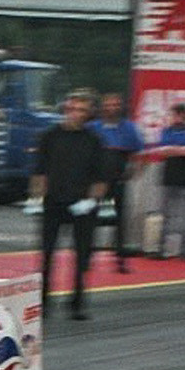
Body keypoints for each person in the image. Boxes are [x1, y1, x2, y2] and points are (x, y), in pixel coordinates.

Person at [28, 91, 111, 320]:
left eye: (81, 110)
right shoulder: (49, 136)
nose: (75, 114)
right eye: (72, 109)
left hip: (82, 204)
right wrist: (36, 199)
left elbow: (101, 177)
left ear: (88, 114)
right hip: (54, 201)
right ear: (65, 109)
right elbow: (40, 171)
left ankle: (77, 302)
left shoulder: (94, 140)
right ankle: (43, 301)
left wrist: (91, 201)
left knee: (83, 255)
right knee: (46, 253)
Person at [89, 92, 143, 272]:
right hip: (95, 181)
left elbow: (138, 153)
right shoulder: (92, 127)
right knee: (90, 218)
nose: (112, 108)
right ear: (102, 107)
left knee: (120, 220)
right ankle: (86, 257)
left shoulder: (129, 128)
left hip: (119, 181)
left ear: (121, 107)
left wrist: (133, 172)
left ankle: (120, 259)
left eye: (115, 105)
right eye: (108, 105)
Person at [154, 102, 185, 261]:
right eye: (173, 114)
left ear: (183, 115)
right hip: (168, 177)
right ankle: (162, 249)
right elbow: (162, 151)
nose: (174, 117)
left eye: (176, 114)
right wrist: (181, 149)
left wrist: (174, 149)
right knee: (166, 215)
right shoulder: (166, 131)